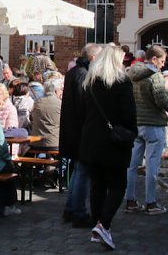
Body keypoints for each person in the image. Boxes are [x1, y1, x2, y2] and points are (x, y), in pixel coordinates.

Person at [79, 45, 137, 250]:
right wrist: (131, 132)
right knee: (117, 186)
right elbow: (129, 115)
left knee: (98, 186)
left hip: (91, 141)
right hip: (114, 142)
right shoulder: (122, 83)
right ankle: (103, 225)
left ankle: (100, 226)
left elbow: (83, 112)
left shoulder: (89, 83)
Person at [124, 45, 168, 215]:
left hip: (137, 123)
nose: (163, 65)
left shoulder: (132, 74)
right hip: (153, 124)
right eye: (162, 61)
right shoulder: (155, 76)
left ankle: (130, 200)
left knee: (132, 165)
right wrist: (167, 91)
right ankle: (151, 202)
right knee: (152, 166)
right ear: (154, 59)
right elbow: (162, 101)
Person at [61, 43, 99, 226]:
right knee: (83, 173)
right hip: (80, 131)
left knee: (78, 171)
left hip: (73, 129)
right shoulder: (83, 75)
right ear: (93, 58)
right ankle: (78, 212)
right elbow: (84, 106)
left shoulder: (73, 72)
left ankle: (70, 208)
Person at [30, 77, 62, 149]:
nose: (61, 92)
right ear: (56, 91)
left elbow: (32, 118)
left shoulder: (37, 102)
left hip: (35, 142)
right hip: (54, 143)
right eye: (60, 90)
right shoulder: (60, 103)